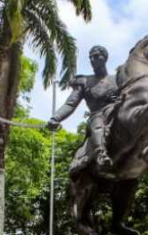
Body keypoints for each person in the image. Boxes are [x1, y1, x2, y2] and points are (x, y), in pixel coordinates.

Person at [47, 45, 119, 174]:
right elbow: (70, 104)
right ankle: (100, 155)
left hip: (118, 111)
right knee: (97, 124)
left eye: (96, 56)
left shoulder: (117, 79)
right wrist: (55, 118)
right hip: (98, 114)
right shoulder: (84, 81)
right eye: (90, 57)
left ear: (105, 58)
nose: (92, 59)